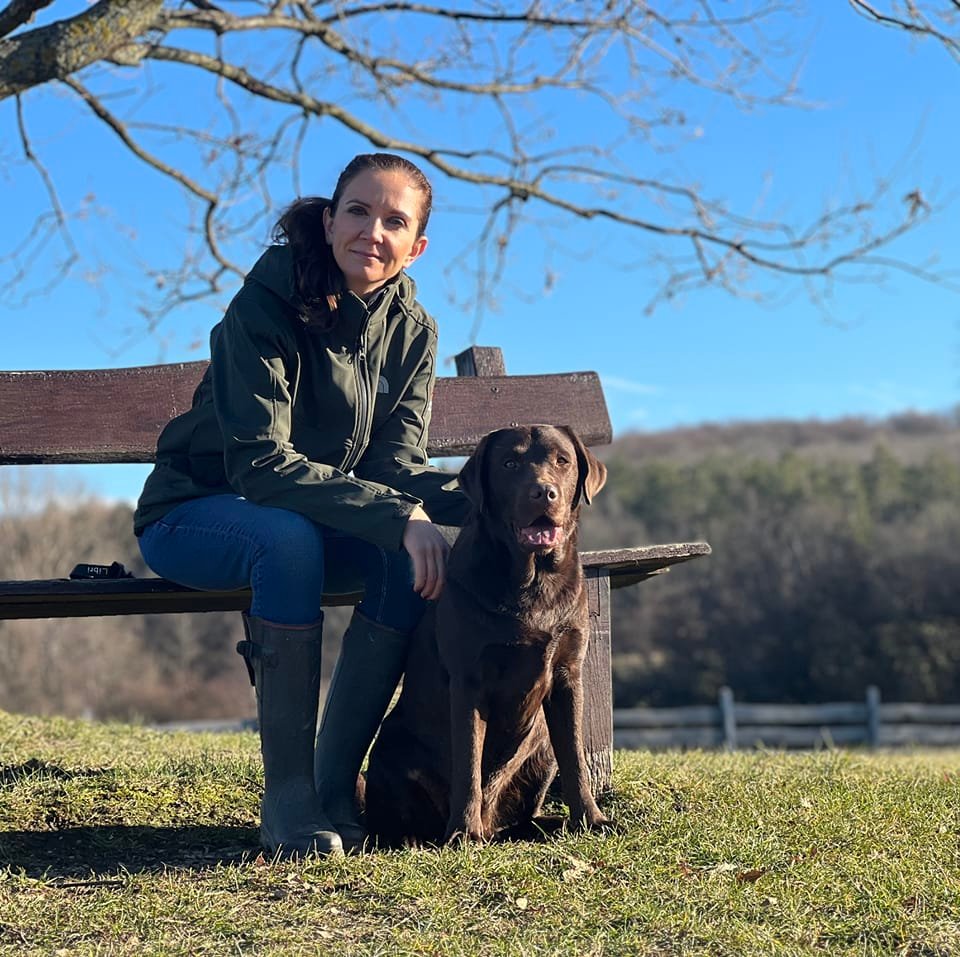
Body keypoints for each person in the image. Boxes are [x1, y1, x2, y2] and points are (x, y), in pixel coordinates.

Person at [133, 153, 469, 858]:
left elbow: (393, 467)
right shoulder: (266, 305)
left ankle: (333, 786)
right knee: (289, 540)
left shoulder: (413, 332)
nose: (372, 231)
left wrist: (498, 500)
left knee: (402, 561)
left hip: (303, 521)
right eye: (358, 210)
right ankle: (287, 800)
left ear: (418, 247)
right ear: (328, 219)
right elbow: (259, 463)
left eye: (394, 220)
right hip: (193, 512)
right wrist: (400, 513)